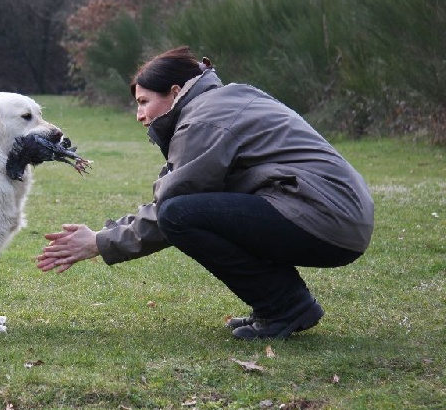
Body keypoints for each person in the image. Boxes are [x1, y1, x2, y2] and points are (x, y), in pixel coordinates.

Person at [36, 46, 374, 340]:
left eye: (143, 102)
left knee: (179, 215)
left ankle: (286, 306)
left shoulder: (203, 120)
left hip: (325, 218)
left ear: (174, 91)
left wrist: (99, 241)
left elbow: (170, 205)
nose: (139, 115)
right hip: (336, 215)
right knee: (189, 210)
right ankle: (283, 304)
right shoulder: (222, 100)